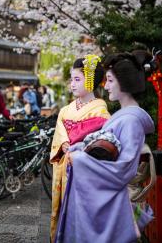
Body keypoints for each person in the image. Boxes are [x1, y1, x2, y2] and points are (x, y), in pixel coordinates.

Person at [55, 50, 155, 243]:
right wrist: (79, 149)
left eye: (110, 80)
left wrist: (81, 160)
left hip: (110, 205)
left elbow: (123, 169)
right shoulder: (124, 115)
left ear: (124, 83)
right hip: (105, 199)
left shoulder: (131, 121)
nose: (106, 86)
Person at [50, 54, 110, 242]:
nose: (72, 84)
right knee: (63, 212)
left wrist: (75, 142)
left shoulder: (100, 110)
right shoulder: (65, 110)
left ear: (90, 81)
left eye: (77, 79)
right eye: (71, 79)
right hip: (64, 166)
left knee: (81, 216)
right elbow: (59, 133)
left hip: (84, 172)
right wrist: (64, 143)